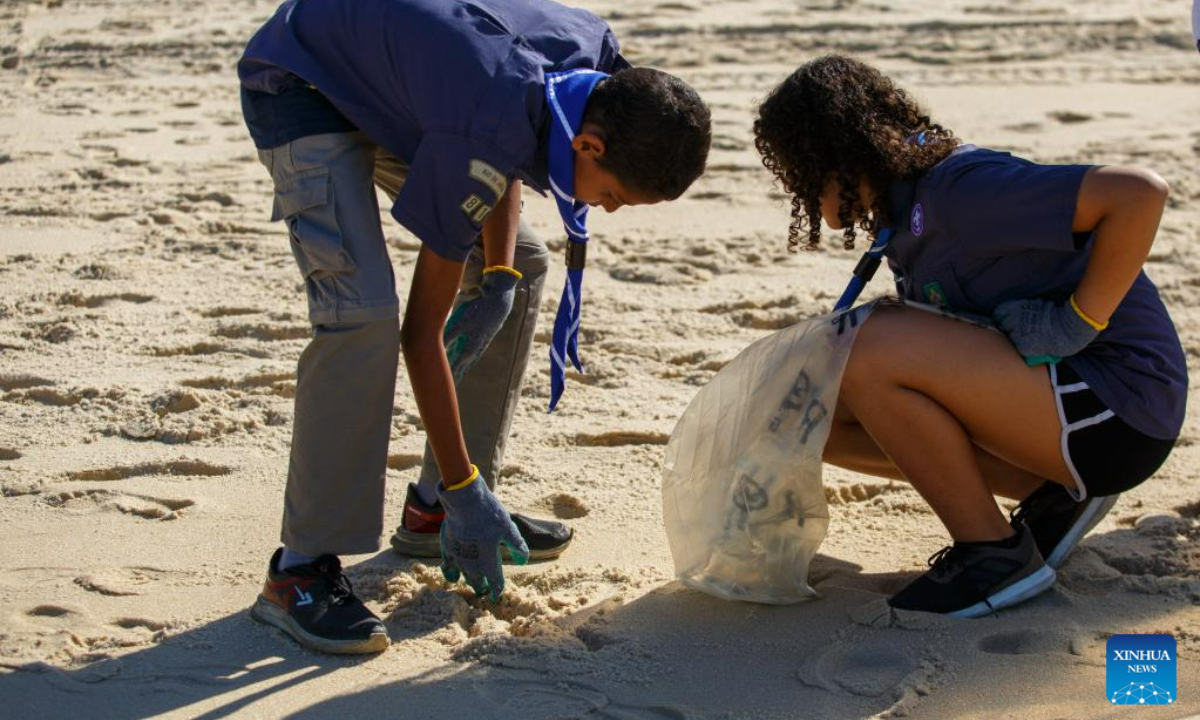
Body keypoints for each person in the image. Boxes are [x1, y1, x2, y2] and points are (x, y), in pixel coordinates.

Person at [237, 0, 711, 653]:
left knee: (520, 260)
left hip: (412, 87)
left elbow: (518, 134)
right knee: (363, 314)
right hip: (303, 78)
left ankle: (437, 512)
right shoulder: (486, 125)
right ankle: (298, 571)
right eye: (612, 196)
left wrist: (500, 278)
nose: (607, 209)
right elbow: (419, 332)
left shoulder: (597, 65)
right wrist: (467, 487)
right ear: (591, 144)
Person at [753, 55, 1186, 618]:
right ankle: (1050, 494)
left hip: (1119, 410)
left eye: (795, 170)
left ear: (832, 156)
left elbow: (1139, 195)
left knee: (868, 352)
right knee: (817, 411)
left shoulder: (958, 189)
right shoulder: (901, 209)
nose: (796, 188)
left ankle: (995, 557)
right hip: (1071, 417)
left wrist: (1077, 320)